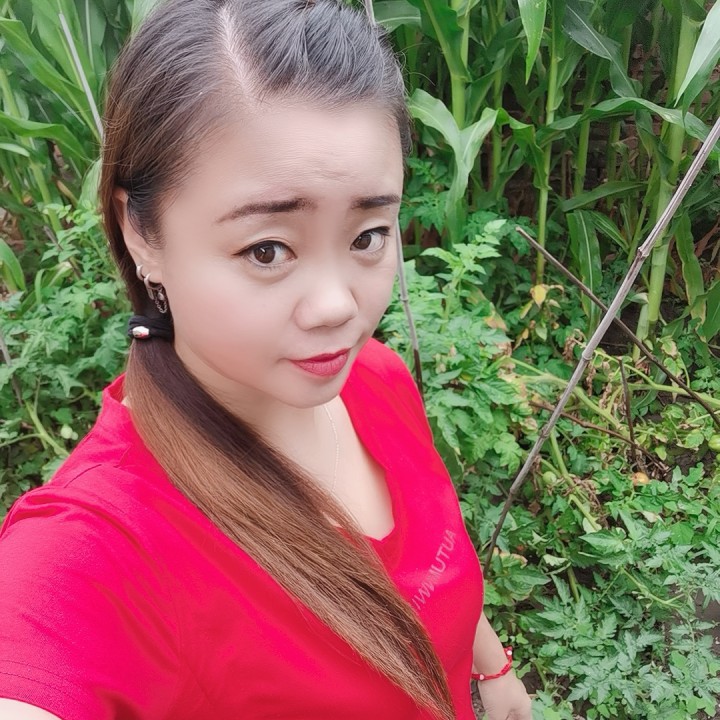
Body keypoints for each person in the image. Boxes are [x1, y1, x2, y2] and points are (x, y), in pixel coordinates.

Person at [0, 1, 533, 718]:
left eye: (368, 235)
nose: (337, 307)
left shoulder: (375, 380)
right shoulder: (104, 544)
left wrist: (492, 666)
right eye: (267, 249)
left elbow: (422, 579)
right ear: (141, 232)